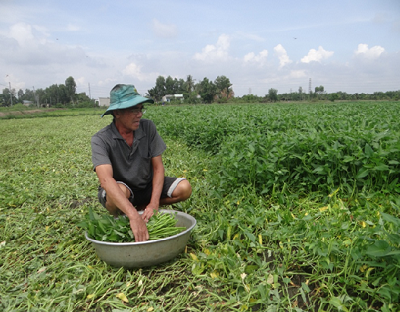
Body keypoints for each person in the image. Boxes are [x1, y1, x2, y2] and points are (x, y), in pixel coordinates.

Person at [91, 84, 192, 242]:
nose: (139, 114)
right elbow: (106, 180)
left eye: (141, 109)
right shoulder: (101, 139)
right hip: (123, 190)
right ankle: (127, 212)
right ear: (117, 112)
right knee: (117, 192)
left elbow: (158, 168)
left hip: (146, 185)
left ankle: (142, 208)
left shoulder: (148, 127)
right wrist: (133, 216)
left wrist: (154, 203)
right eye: (133, 110)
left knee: (185, 188)